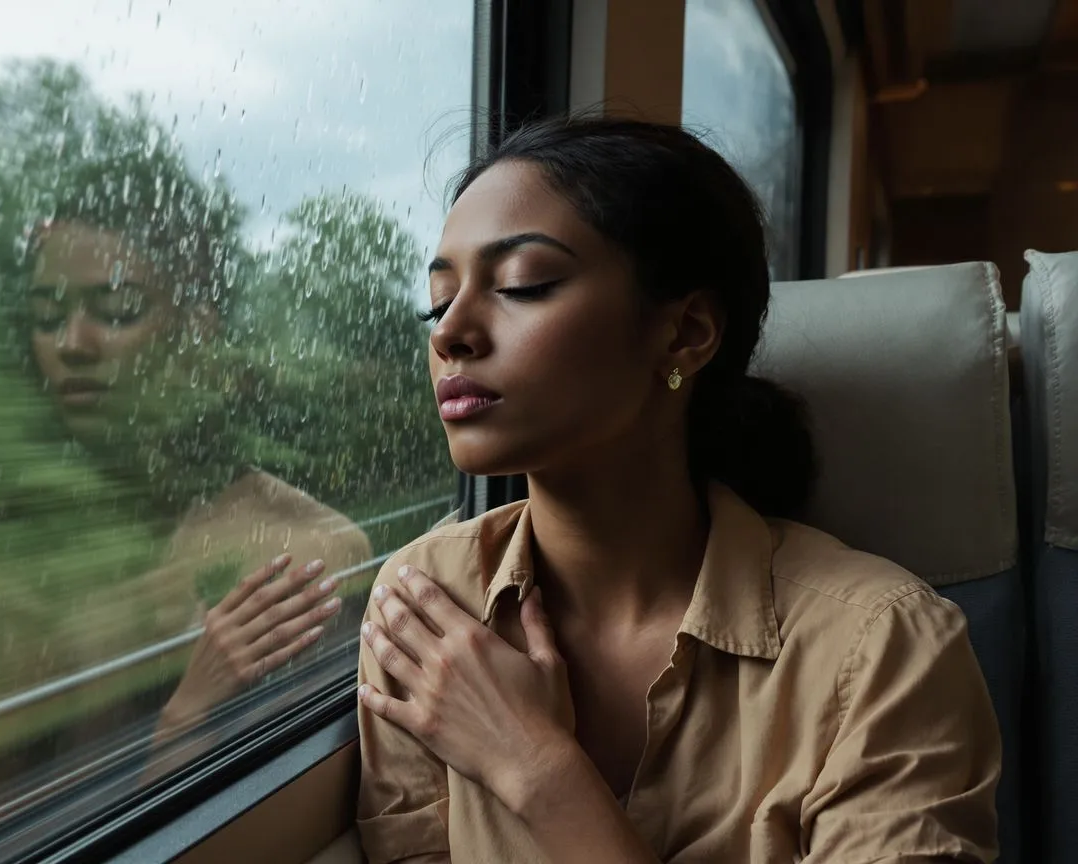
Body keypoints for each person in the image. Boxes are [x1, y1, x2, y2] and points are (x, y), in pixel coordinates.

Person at [354, 115, 1000, 863]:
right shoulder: (426, 603)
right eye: (438, 301)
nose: (450, 333)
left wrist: (538, 769)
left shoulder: (883, 651)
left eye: (522, 285)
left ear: (687, 332)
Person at [0, 155, 372, 797]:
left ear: (197, 330)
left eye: (118, 309)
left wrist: (181, 716)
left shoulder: (308, 546)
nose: (72, 343)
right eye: (47, 316)